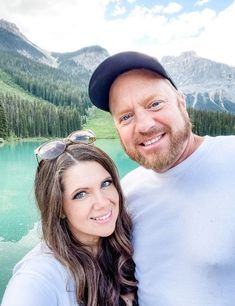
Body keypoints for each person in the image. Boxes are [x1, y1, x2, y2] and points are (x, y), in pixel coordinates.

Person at [88, 51, 235, 306]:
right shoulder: (123, 195)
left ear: (181, 102)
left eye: (155, 104)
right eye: (126, 117)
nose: (144, 125)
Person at [1, 129, 138, 306]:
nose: (102, 202)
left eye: (106, 183)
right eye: (81, 194)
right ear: (58, 208)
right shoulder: (36, 280)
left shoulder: (127, 240)